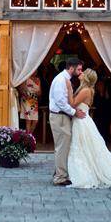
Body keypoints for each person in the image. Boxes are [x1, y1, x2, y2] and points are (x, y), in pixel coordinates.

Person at [67, 69, 111, 189]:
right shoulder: (87, 89)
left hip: (81, 121)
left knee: (81, 146)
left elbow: (72, 104)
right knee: (84, 146)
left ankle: (83, 174)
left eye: (83, 73)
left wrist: (68, 89)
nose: (80, 73)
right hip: (82, 119)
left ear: (86, 77)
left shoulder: (85, 90)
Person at [48, 57, 86, 186]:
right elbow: (60, 102)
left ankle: (59, 173)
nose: (81, 72)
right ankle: (60, 177)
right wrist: (75, 112)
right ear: (71, 67)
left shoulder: (65, 79)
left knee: (63, 146)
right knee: (62, 147)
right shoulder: (60, 80)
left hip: (63, 116)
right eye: (79, 69)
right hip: (59, 117)